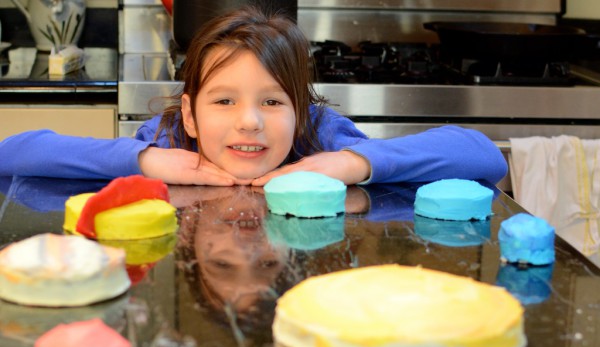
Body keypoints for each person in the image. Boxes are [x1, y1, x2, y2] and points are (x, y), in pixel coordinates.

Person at [0, 7, 507, 187]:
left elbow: (483, 156)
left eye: (272, 101)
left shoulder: (322, 138)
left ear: (300, 111)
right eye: (223, 101)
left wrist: (350, 164)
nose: (249, 122)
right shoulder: (165, 139)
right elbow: (13, 153)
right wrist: (143, 161)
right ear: (190, 116)